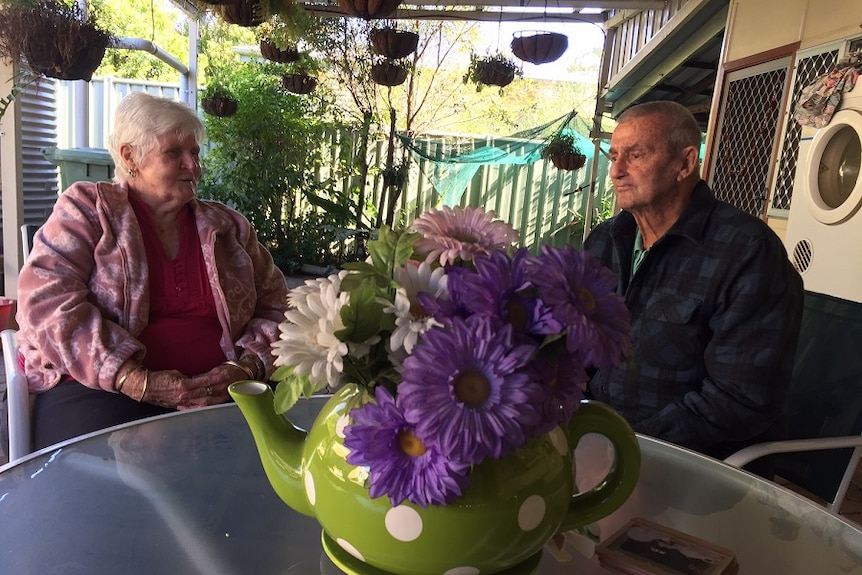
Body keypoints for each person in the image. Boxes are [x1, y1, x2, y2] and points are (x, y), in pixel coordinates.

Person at [16, 92, 289, 450]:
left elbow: (278, 307)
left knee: (279, 448)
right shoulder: (87, 211)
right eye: (175, 153)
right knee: (122, 470)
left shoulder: (228, 226)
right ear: (131, 157)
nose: (194, 166)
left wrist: (246, 368)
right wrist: (131, 378)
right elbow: (46, 303)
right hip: (99, 387)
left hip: (224, 392)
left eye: (195, 152)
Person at [584, 100, 804, 460]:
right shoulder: (606, 240)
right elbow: (576, 343)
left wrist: (627, 446)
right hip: (600, 438)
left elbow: (740, 398)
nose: (617, 171)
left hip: (691, 465)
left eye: (636, 155)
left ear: (685, 163)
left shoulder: (747, 252)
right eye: (614, 157)